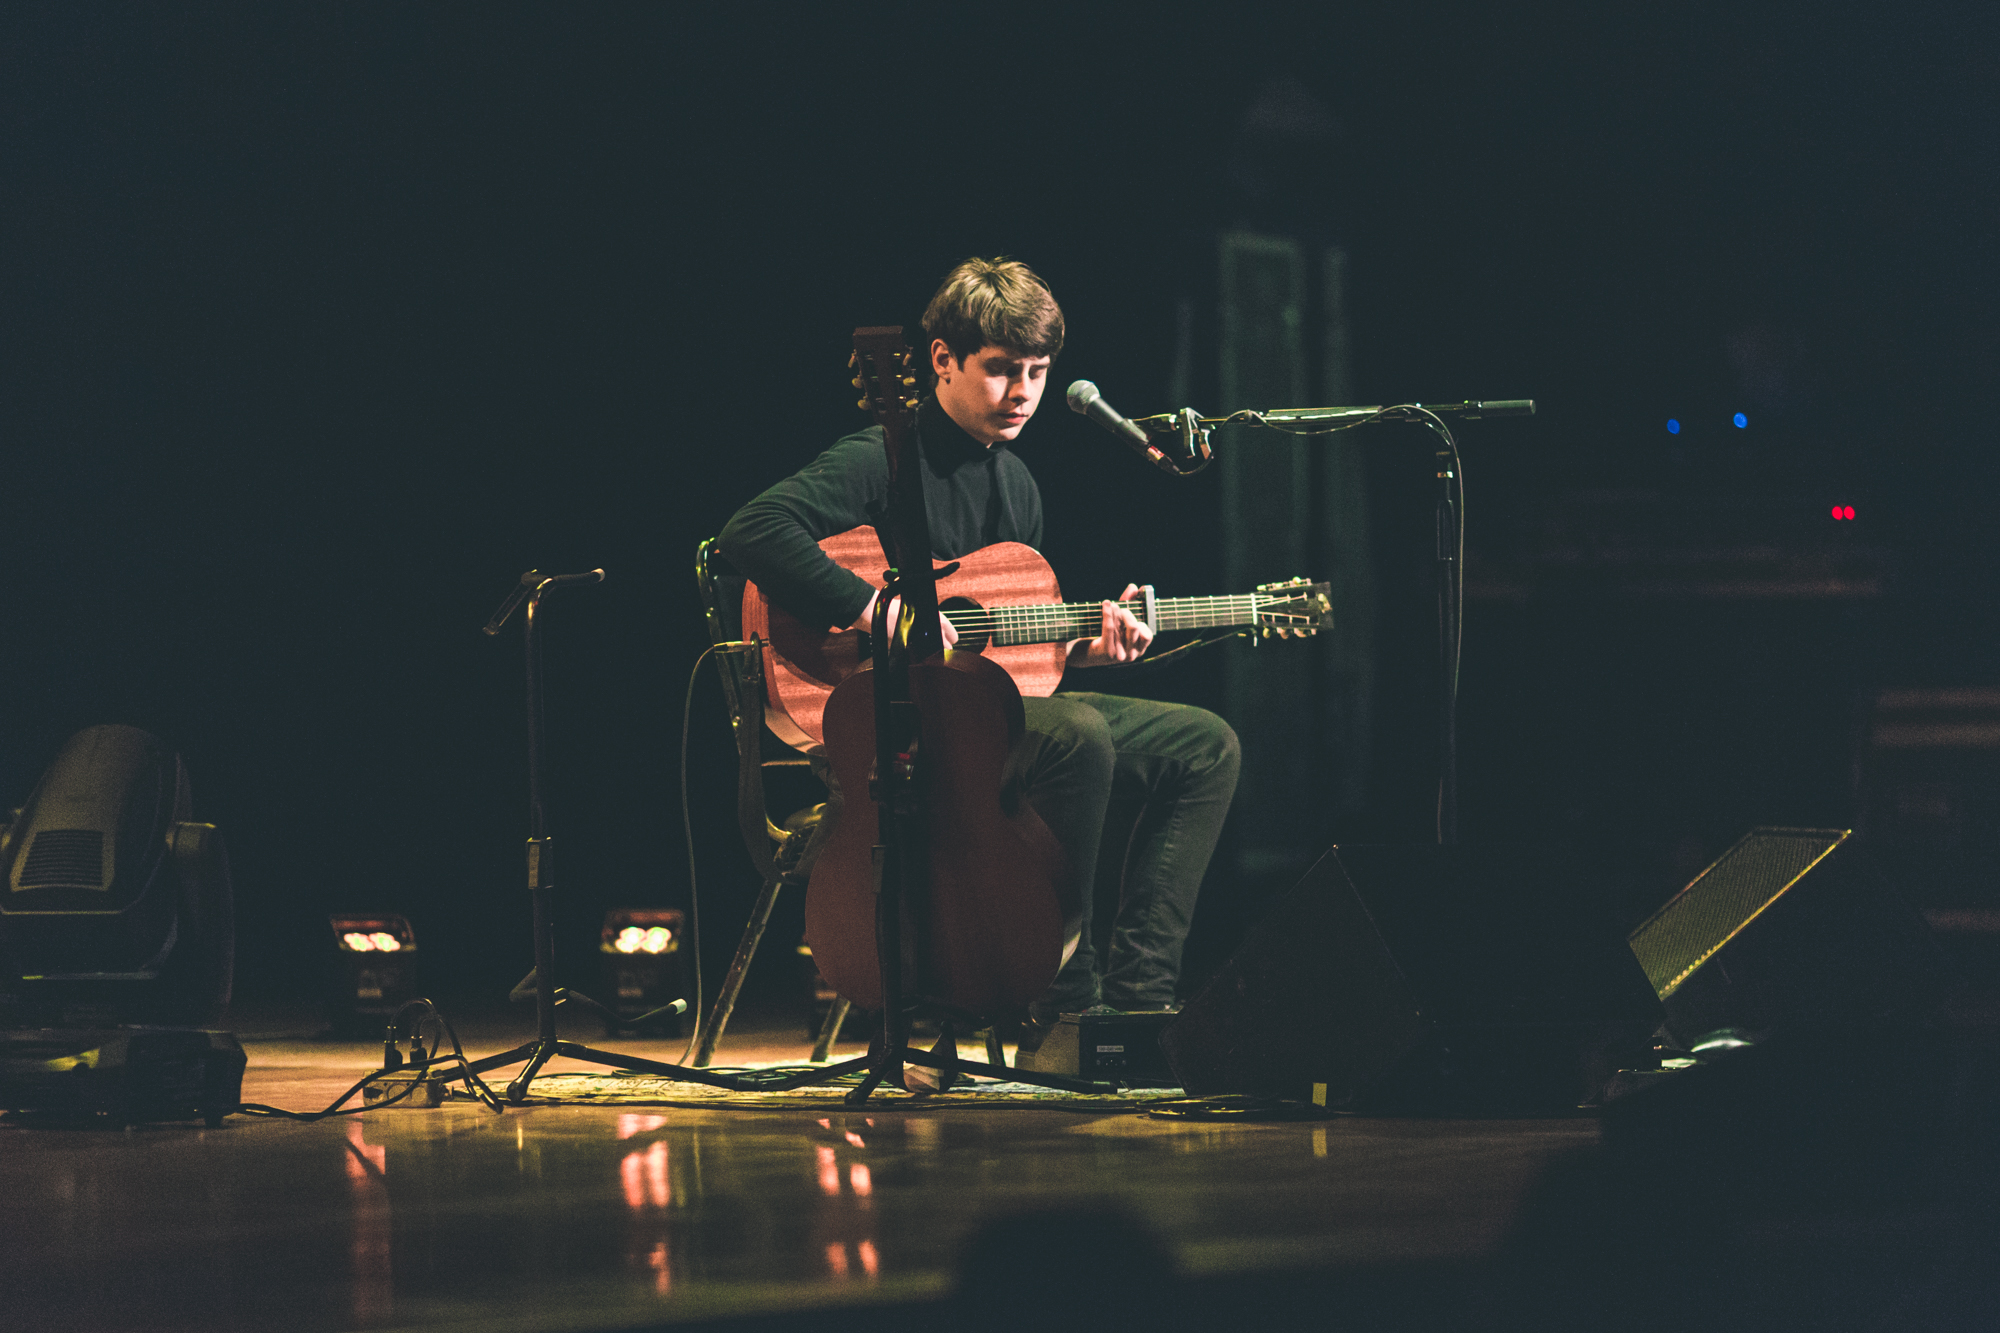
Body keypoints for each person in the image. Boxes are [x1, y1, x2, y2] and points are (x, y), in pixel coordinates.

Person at [717, 257, 1239, 1041]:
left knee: (1206, 746)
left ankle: (1139, 1005)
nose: (1022, 392)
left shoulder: (1017, 485)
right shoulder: (880, 457)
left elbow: (1011, 658)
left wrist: (1090, 648)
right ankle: (1068, 998)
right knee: (1079, 736)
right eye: (1001, 370)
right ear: (942, 360)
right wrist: (874, 610)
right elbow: (750, 532)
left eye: (1037, 371)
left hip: (987, 717)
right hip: (887, 721)